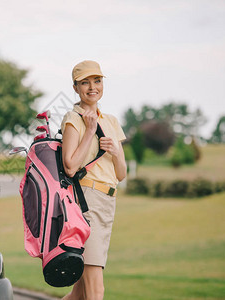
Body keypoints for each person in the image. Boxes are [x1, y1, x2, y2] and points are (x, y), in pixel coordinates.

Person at [61, 60, 126, 300]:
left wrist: (116, 153)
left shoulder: (111, 121)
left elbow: (121, 173)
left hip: (107, 203)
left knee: (80, 293)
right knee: (96, 291)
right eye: (85, 83)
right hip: (87, 204)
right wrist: (90, 132)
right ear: (75, 87)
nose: (92, 87)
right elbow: (69, 166)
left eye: (97, 81)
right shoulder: (73, 118)